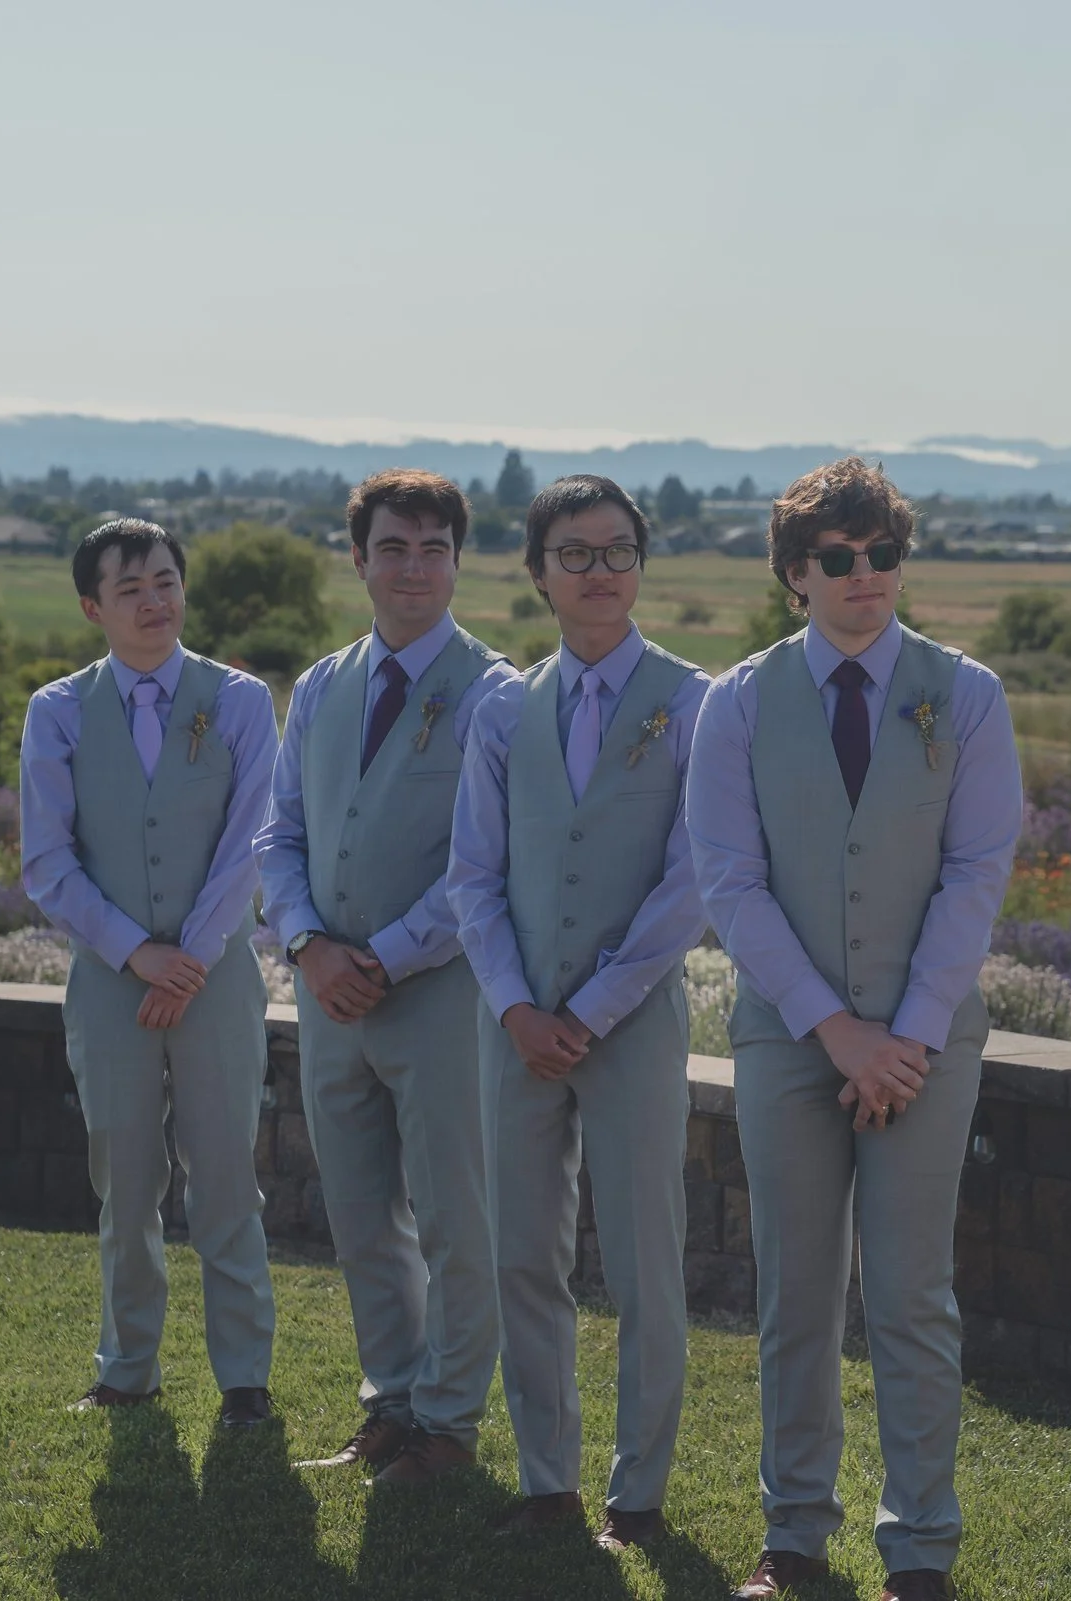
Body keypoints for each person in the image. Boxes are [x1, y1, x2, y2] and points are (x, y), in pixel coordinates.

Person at [690, 459, 1021, 1601]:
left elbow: (977, 874)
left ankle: (920, 1546)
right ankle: (793, 1534)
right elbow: (730, 882)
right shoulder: (737, 701)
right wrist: (836, 1031)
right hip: (791, 1038)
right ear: (796, 573)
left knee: (913, 1295)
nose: (865, 573)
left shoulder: (965, 692)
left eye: (883, 552)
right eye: (838, 558)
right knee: (796, 1291)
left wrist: (908, 1035)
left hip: (928, 1042)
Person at [448, 475, 711, 1550]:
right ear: (538, 573)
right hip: (513, 1024)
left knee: (646, 1260)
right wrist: (517, 1006)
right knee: (522, 1252)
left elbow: (694, 879)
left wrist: (593, 1008)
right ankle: (546, 1478)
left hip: (633, 1019)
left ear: (640, 563)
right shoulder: (501, 707)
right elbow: (473, 875)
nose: (599, 571)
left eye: (617, 550)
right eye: (575, 553)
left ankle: (636, 1494)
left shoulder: (696, 701)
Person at [254, 469, 514, 1485]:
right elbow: (281, 834)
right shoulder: (323, 685)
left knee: (456, 1220)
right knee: (361, 1217)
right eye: (394, 548)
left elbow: (486, 861)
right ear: (358, 559)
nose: (414, 567)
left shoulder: (495, 692)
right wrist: (308, 944)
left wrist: (387, 954)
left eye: (433, 548)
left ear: (457, 562)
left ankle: (447, 1422)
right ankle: (391, 1402)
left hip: (442, 996)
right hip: (328, 994)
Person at [18, 519, 280, 1425]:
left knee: (226, 1175)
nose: (153, 601)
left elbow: (255, 840)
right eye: (129, 588)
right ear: (92, 606)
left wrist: (189, 961)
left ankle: (244, 1377)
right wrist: (138, 953)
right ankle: (127, 1366)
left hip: (218, 979)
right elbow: (48, 862)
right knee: (124, 1178)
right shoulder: (57, 710)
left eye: (165, 580)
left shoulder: (239, 699)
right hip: (109, 980)